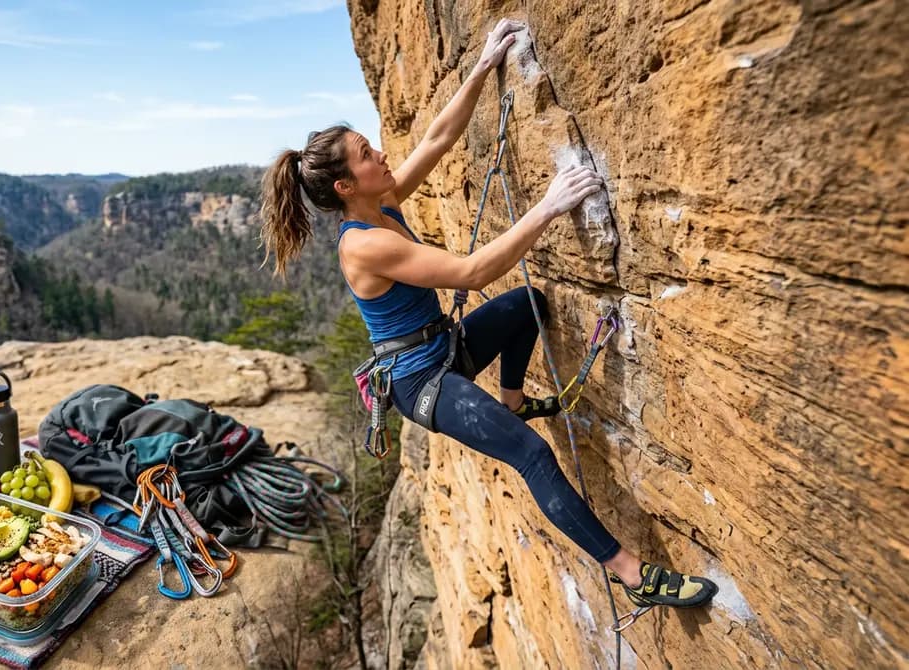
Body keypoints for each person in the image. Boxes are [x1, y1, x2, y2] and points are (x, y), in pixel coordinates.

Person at [259, 18, 717, 611]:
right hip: (420, 382)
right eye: (369, 154)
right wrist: (548, 206)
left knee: (528, 305)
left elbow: (436, 141)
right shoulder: (364, 243)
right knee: (531, 454)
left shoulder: (383, 201)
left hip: (443, 348)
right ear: (347, 185)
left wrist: (480, 66)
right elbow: (473, 272)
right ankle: (632, 576)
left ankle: (511, 399)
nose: (383, 153)